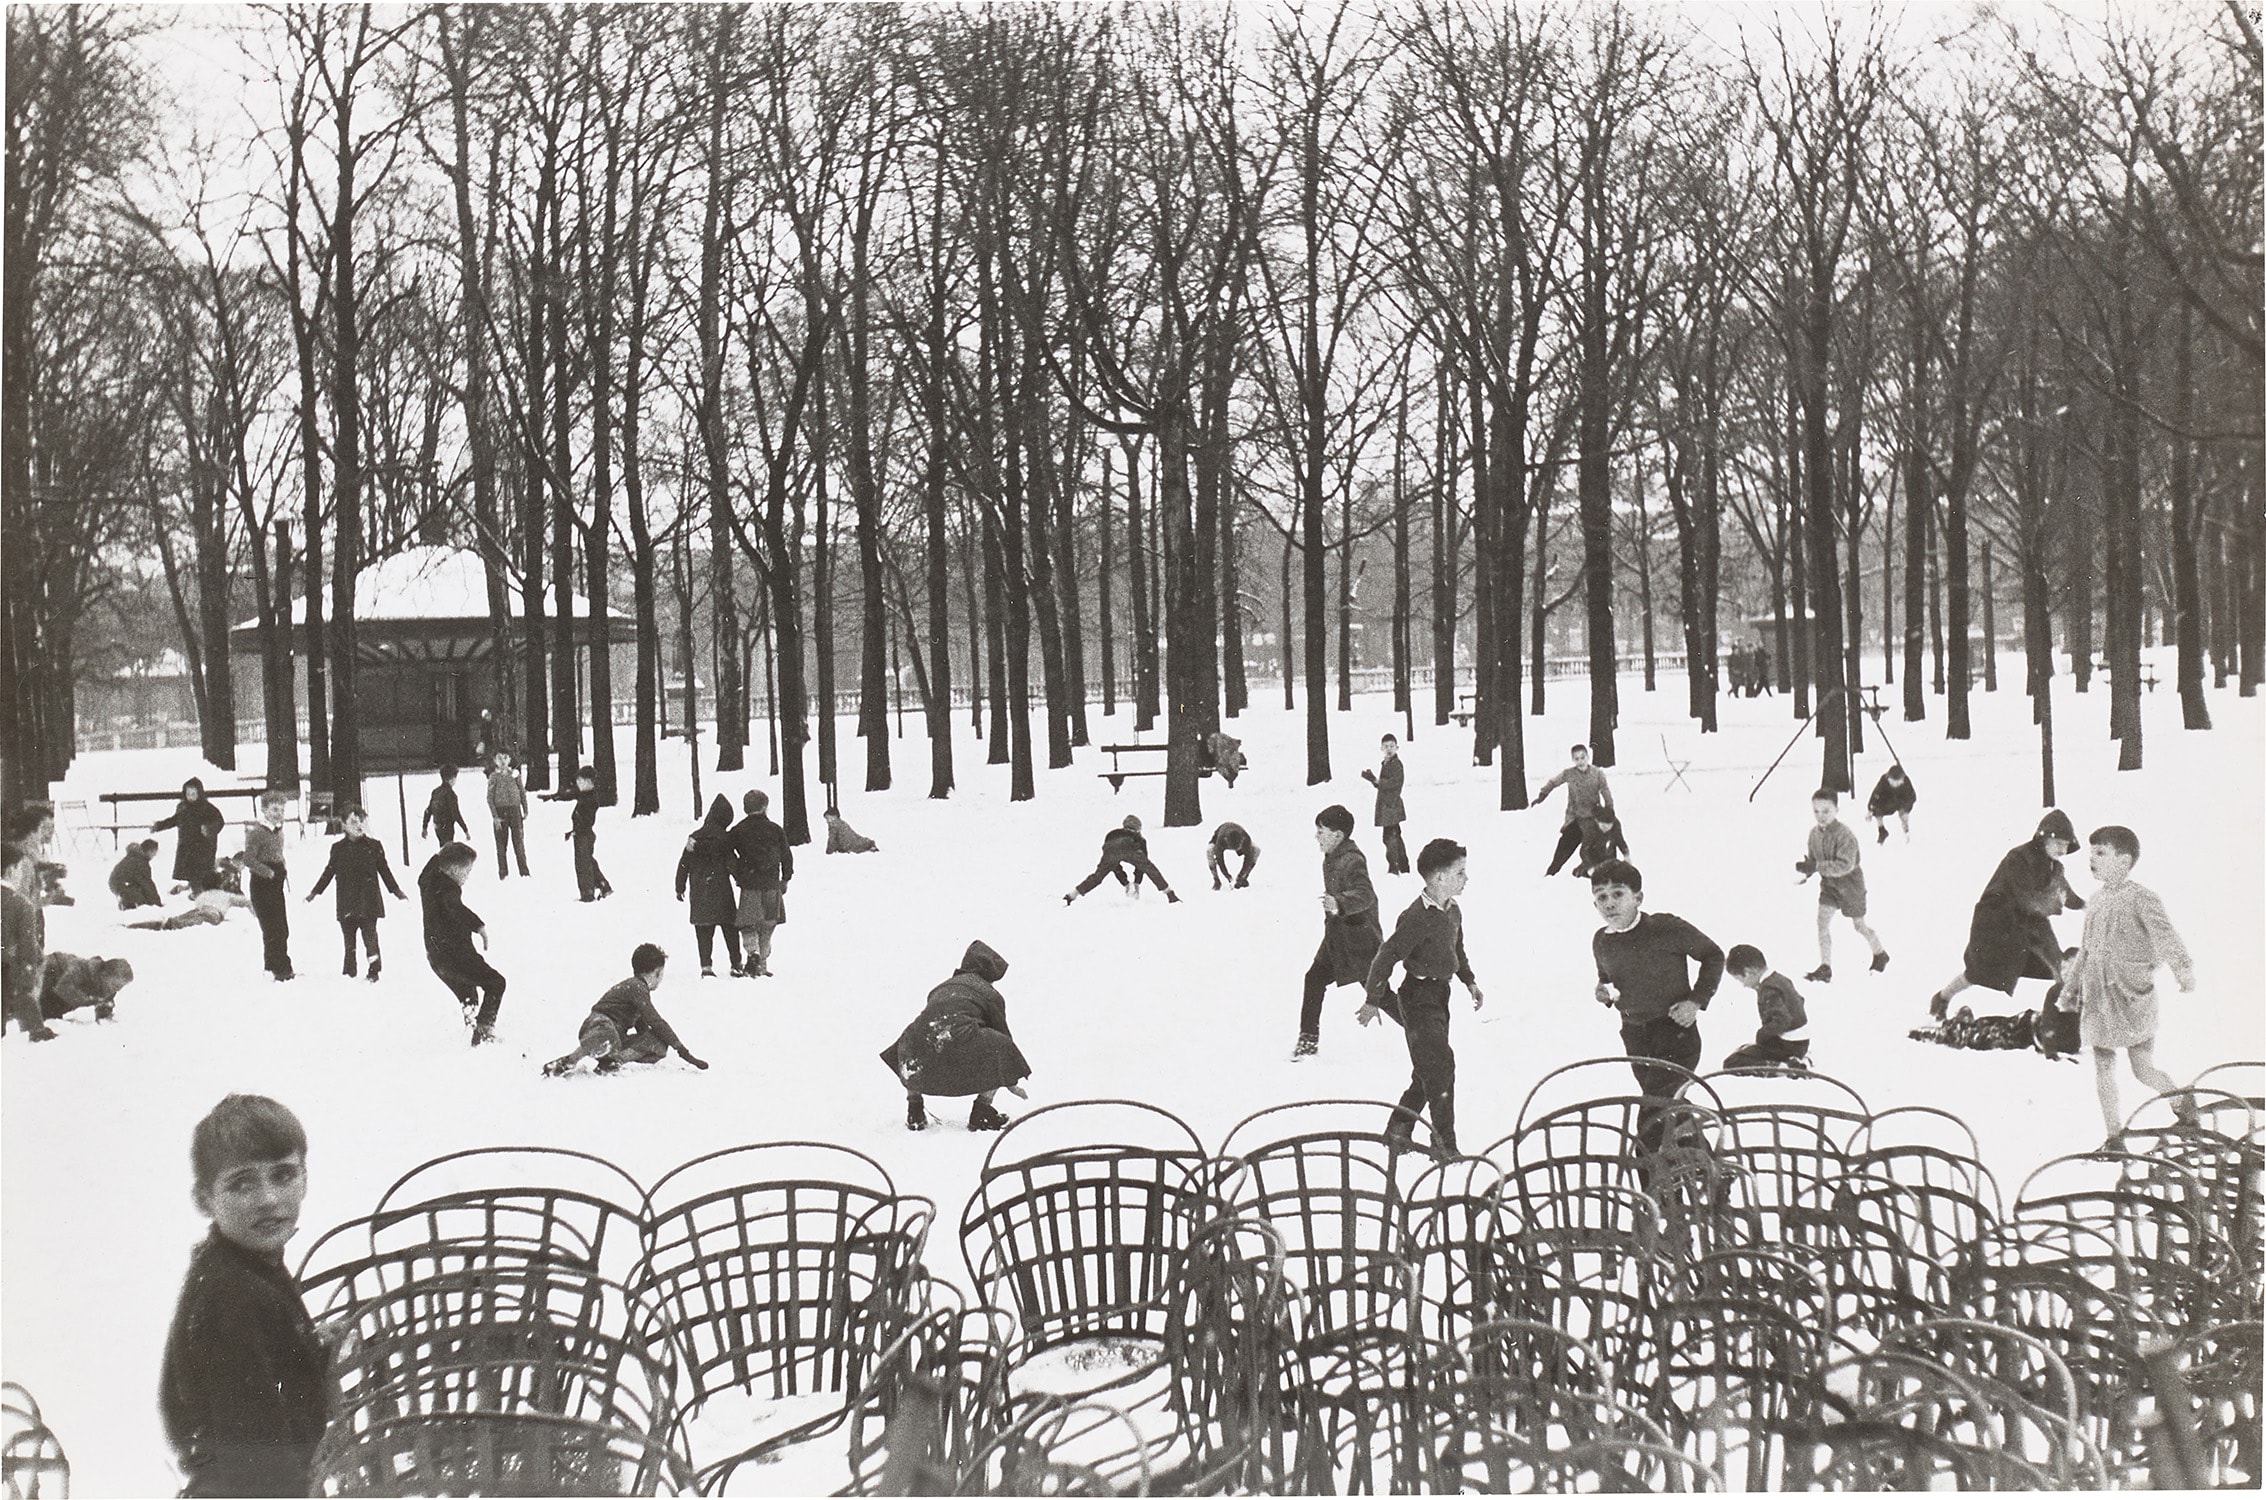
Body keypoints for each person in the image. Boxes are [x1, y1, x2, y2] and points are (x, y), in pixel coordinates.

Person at [160, 1094, 330, 1499]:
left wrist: (311, 1342)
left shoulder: (243, 1262)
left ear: (305, 1178)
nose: (269, 1199)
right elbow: (258, 1465)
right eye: (242, 1183)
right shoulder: (236, 1298)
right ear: (205, 1200)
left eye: (283, 1175)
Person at [2055, 825, 2198, 1147]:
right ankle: (2114, 1135)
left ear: (2124, 860)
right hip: (2098, 997)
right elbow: (2086, 950)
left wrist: (2183, 968)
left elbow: (2165, 936)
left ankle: (2182, 1102)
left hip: (2131, 995)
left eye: (2101, 853)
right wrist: (2069, 991)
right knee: (2103, 1067)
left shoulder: (2143, 898)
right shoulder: (2095, 901)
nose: (2092, 859)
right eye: (2091, 853)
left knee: (2142, 1069)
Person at [1358, 838, 1484, 1160]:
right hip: (1417, 998)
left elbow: (1458, 950)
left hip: (1440, 996)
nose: (1466, 879)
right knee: (1440, 1067)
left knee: (1429, 1066)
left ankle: (1399, 1127)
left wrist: (1469, 981)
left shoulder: (1453, 911)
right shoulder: (1416, 917)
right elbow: (1386, 956)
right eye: (1460, 873)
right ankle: (1445, 1144)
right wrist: (1374, 999)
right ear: (1439, 878)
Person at [1589, 859, 1723, 1142]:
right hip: (1635, 1037)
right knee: (1670, 1109)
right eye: (1601, 896)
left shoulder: (1665, 928)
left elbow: (1713, 955)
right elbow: (1608, 980)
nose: (1609, 903)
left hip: (1675, 1033)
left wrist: (1695, 1001)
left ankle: (1650, 1184)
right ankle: (1710, 1171)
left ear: (1638, 898)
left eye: (1618, 894)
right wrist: (1603, 993)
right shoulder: (1601, 941)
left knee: (1652, 1115)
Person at [1926, 809, 2085, 1021]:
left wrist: (2085, 905)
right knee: (1979, 972)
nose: (2063, 849)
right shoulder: (2019, 858)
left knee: (2058, 965)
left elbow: (2064, 893)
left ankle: (2065, 1018)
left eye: (2066, 845)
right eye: (2059, 843)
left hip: (2031, 921)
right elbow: (2025, 897)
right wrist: (2050, 905)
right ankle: (1942, 998)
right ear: (2044, 838)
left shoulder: (2055, 867)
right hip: (1998, 921)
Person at [882, 939, 1031, 1132]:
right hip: (957, 1041)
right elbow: (1004, 1038)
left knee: (916, 1038)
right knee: (999, 1044)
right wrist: (1011, 1080)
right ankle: (982, 1112)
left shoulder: (940, 987)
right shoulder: (991, 995)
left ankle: (915, 1109)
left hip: (917, 1048)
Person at [1294, 804, 1384, 1060]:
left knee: (1380, 994)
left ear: (1338, 835)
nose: (1317, 836)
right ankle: (1307, 1044)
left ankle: (1422, 1034)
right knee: (1313, 979)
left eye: (1321, 831)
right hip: (1336, 939)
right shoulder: (1333, 858)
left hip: (1359, 940)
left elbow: (1366, 895)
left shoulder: (1352, 860)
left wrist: (1340, 903)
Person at [544, 943, 708, 1077]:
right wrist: (684, 1052)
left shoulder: (639, 991)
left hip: (615, 1039)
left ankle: (613, 1062)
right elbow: (656, 1021)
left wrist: (659, 1042)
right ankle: (570, 1060)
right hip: (597, 1026)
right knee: (607, 1033)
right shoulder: (636, 988)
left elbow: (646, 1028)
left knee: (658, 1043)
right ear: (657, 972)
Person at [1796, 789, 1888, 982]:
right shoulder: (1813, 834)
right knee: (1822, 924)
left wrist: (1817, 866)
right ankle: (1825, 967)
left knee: (1859, 925)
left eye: (1826, 811)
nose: (1820, 816)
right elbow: (1814, 859)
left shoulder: (1845, 835)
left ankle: (1880, 953)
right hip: (1829, 885)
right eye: (1816, 811)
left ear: (1837, 809)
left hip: (1850, 886)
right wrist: (1807, 870)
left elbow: (1846, 865)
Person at [305, 806, 405, 981]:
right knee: (349, 940)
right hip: (346, 901)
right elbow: (328, 872)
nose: (358, 825)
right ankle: (349, 972)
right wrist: (315, 892)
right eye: (353, 821)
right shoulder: (338, 849)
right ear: (343, 825)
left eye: (361, 821)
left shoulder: (374, 846)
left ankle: (374, 970)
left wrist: (396, 891)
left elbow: (385, 871)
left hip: (368, 901)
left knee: (370, 937)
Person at [420, 842, 504, 1045]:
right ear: (455, 869)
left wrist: (440, 855)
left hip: (436, 957)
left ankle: (472, 1029)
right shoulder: (449, 889)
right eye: (467, 871)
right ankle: (483, 1033)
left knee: (469, 994)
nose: (467, 877)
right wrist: (479, 926)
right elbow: (455, 908)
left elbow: (424, 873)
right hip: (456, 956)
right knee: (496, 983)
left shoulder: (428, 881)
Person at [676, 794, 743, 977]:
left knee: (703, 931)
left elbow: (684, 863)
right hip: (721, 890)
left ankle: (706, 966)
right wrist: (741, 878)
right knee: (730, 928)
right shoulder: (725, 839)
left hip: (700, 891)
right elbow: (732, 863)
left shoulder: (695, 838)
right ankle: (736, 963)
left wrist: (679, 886)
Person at [728, 789, 792, 977]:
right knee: (768, 925)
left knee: (748, 925)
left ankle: (752, 953)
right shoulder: (775, 829)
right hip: (772, 885)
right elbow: (787, 856)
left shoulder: (738, 830)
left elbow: (726, 853)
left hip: (750, 886)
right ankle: (762, 963)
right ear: (764, 806)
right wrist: (785, 878)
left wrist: (738, 873)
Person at [1721, 945, 1812, 1072]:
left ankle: (1782, 1068)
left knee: (1732, 1062)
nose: (1744, 985)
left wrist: (1762, 1036)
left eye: (1741, 980)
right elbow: (1800, 1000)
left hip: (1786, 1045)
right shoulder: (1780, 979)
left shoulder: (1768, 989)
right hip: (1802, 1043)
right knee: (1747, 1049)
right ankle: (1797, 1059)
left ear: (1749, 972)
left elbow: (1782, 1019)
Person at [1063, 814, 1180, 905]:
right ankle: (1170, 894)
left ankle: (1072, 895)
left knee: (1097, 877)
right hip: (1130, 847)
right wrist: (1137, 883)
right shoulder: (1140, 839)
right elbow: (1144, 866)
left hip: (1110, 849)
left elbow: (1114, 865)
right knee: (1151, 869)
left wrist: (1125, 882)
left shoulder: (1111, 834)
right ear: (1137, 829)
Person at [1536, 744, 1614, 877]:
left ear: (1587, 757)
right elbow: (1553, 782)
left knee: (1599, 844)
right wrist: (1542, 794)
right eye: (1576, 758)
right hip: (1576, 817)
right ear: (1573, 760)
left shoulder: (1598, 773)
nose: (1580, 761)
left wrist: (1609, 811)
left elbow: (1606, 792)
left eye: (1582, 757)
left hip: (1594, 817)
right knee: (1566, 844)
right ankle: (1552, 871)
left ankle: (1589, 870)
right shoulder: (1569, 774)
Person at [241, 791, 294, 982]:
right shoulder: (258, 833)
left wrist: (282, 868)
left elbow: (277, 854)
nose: (278, 813)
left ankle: (276, 965)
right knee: (272, 928)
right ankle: (278, 968)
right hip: (262, 884)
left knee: (282, 927)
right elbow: (248, 859)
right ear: (264, 810)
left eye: (281, 809)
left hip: (276, 883)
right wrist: (268, 872)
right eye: (274, 809)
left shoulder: (279, 831)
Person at [3, 842, 54, 1041]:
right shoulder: (21, 904)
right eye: (20, 869)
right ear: (10, 871)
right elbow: (27, 946)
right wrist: (29, 970)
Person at [129, 859, 253, 931]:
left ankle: (163, 923)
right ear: (220, 884)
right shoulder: (226, 895)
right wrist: (255, 913)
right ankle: (169, 924)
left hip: (199, 910)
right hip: (213, 914)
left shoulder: (202, 895)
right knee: (194, 921)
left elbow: (196, 900)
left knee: (182, 918)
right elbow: (246, 902)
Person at [152, 777, 227, 893]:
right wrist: (159, 826)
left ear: (199, 793)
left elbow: (219, 822)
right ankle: (195, 893)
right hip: (186, 848)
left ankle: (202, 894)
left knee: (201, 875)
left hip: (203, 849)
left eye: (193, 793)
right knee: (191, 875)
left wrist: (208, 829)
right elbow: (175, 820)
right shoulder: (183, 808)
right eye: (188, 793)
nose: (190, 796)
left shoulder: (208, 808)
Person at [37, 952, 133, 1025]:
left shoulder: (107, 987)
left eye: (120, 987)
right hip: (47, 974)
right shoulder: (81, 969)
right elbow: (63, 989)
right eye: (115, 985)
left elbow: (104, 1008)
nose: (117, 989)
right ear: (104, 975)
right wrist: (89, 1000)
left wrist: (105, 1015)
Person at [1363, 734, 1411, 876]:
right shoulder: (1386, 763)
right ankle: (1403, 866)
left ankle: (1394, 867)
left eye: (1391, 746)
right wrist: (1373, 780)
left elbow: (1395, 783)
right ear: (1381, 748)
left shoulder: (1396, 764)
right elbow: (1384, 785)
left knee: (1390, 837)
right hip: (1387, 806)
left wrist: (1377, 781)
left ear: (1397, 748)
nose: (1389, 749)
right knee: (1395, 835)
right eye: (1386, 747)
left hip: (1392, 806)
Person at [564, 768, 614, 902]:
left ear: (590, 783)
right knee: (588, 861)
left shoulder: (590, 799)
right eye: (578, 781)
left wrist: (577, 830)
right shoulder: (585, 797)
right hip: (582, 834)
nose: (579, 784)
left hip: (584, 835)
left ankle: (587, 893)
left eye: (582, 781)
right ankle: (603, 885)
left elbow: (587, 820)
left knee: (583, 864)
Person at [1572, 808, 1630, 880]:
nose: (1606, 828)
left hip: (1609, 856)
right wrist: (1590, 866)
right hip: (1593, 857)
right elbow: (1584, 851)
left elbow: (1620, 841)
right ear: (1597, 822)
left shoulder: (1616, 825)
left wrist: (1626, 854)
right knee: (1595, 874)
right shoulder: (1591, 829)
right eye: (1603, 826)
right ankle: (1581, 869)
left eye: (1609, 826)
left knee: (1615, 872)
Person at [1866, 764, 1916, 845]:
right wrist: (1870, 810)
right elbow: (1875, 794)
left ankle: (1906, 831)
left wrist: (1905, 810)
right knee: (1876, 809)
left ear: (1902, 780)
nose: (1895, 784)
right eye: (1892, 781)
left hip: (1901, 802)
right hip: (1887, 801)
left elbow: (1912, 797)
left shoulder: (1906, 782)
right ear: (1888, 779)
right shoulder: (1884, 780)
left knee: (1903, 815)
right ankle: (1882, 831)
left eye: (1897, 782)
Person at [111, 838, 164, 910]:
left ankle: (126, 900)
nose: (154, 855)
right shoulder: (141, 862)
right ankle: (129, 903)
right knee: (142, 895)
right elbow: (147, 884)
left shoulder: (135, 857)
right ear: (149, 851)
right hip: (123, 885)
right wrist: (157, 903)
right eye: (154, 853)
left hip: (117, 884)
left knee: (141, 892)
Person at [421, 764, 466, 845]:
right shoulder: (451, 794)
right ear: (451, 779)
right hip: (447, 826)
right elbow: (455, 813)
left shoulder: (435, 792)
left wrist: (424, 827)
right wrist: (465, 830)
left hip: (437, 826)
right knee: (448, 848)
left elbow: (428, 810)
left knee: (442, 846)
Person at [1207, 822, 1260, 891]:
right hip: (1219, 834)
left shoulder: (1246, 838)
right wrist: (1227, 875)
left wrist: (1241, 876)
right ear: (1226, 840)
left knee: (1256, 850)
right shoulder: (1221, 839)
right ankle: (1216, 880)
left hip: (1237, 834)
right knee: (1209, 851)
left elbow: (1248, 859)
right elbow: (1220, 859)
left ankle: (1244, 878)